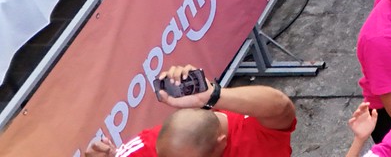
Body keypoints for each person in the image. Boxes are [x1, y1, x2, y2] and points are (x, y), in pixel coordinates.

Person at [86, 68, 296, 157]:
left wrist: (212, 95)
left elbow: (281, 107)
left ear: (221, 144)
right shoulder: (147, 147)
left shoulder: (256, 137)